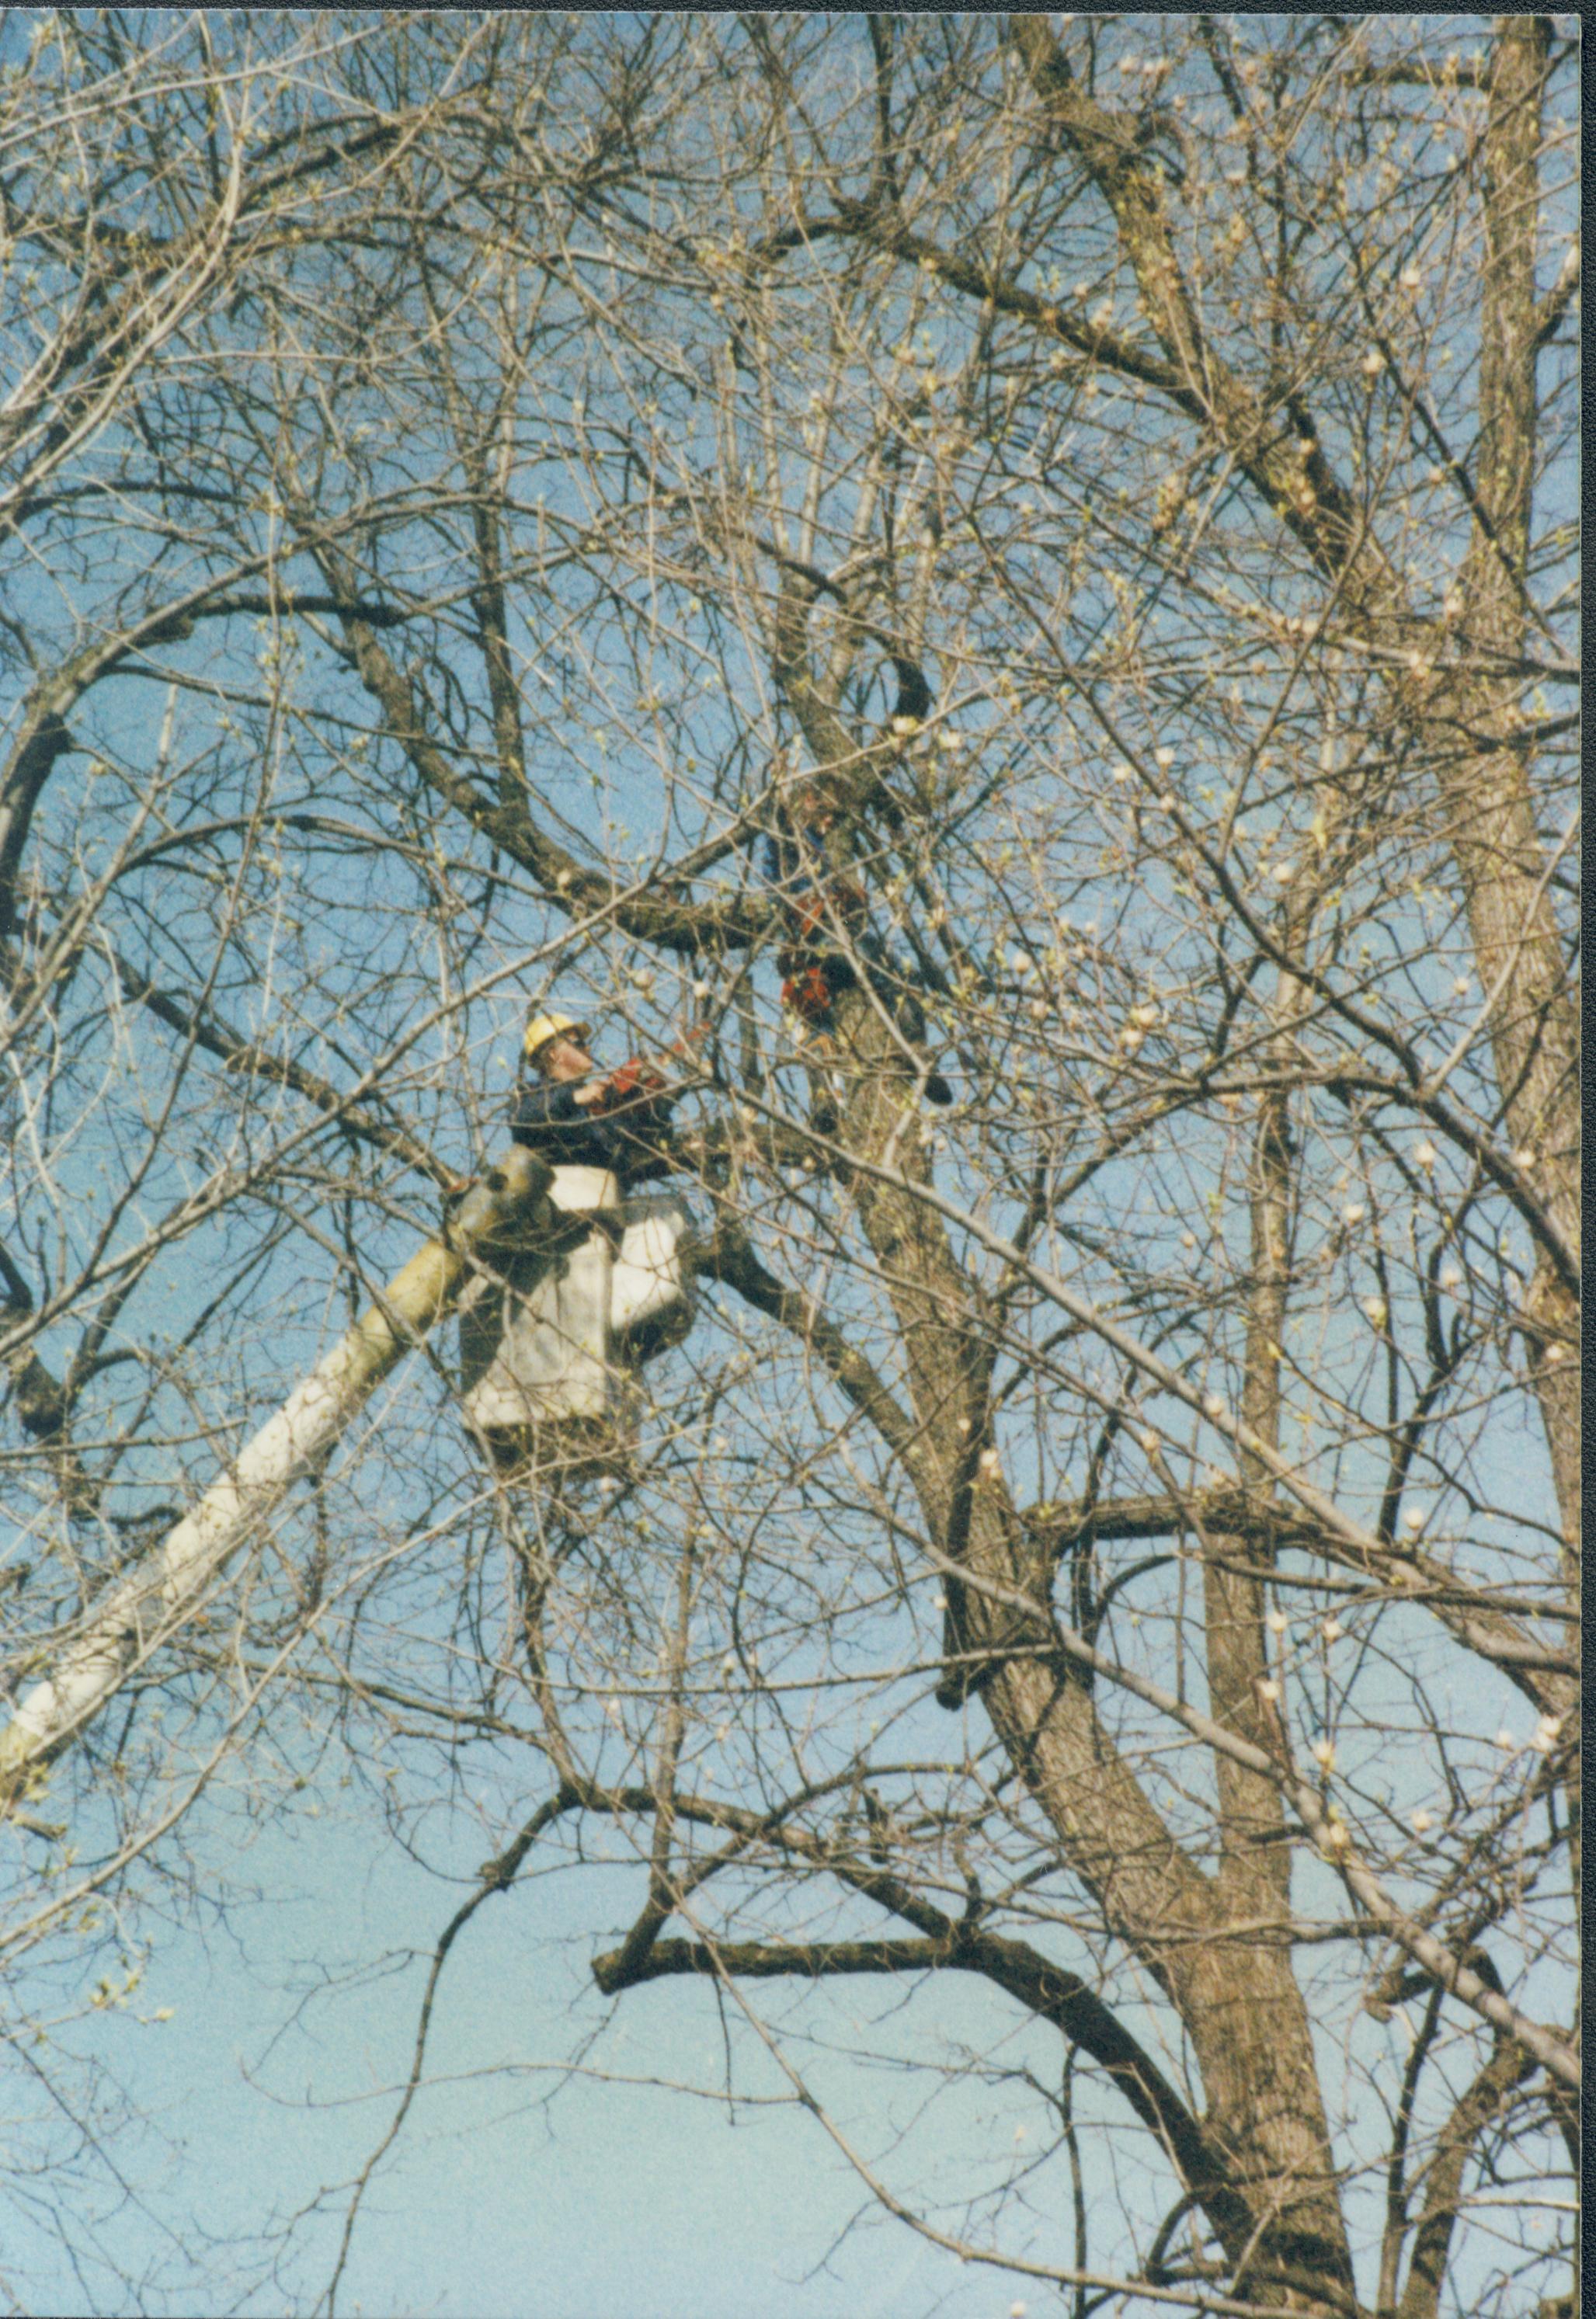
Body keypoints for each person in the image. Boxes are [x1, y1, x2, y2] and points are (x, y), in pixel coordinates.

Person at [762, 812, 952, 1105]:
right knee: (889, 971)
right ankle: (913, 1050)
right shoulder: (793, 847)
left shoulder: (820, 854)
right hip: (819, 941)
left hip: (825, 947)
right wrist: (783, 815)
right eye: (822, 814)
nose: (828, 822)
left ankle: (826, 1098)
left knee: (819, 1019)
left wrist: (850, 899)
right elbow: (775, 854)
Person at [509, 1010, 680, 1184]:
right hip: (561, 1196)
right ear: (554, 1054)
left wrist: (652, 1108)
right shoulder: (531, 1093)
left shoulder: (597, 1105)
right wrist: (573, 1097)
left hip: (609, 1198)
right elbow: (522, 1118)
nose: (588, 1048)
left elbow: (653, 1143)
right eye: (580, 1043)